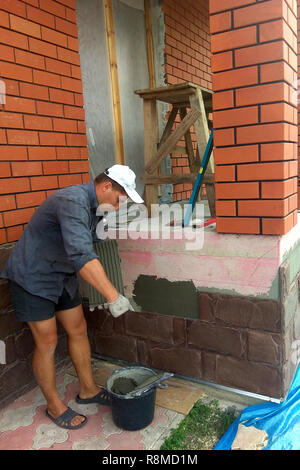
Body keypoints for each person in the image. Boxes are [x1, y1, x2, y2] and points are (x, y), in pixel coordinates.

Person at [0, 164, 143, 430]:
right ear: (106, 186)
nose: (121, 204)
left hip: (63, 275)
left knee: (78, 328)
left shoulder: (98, 207)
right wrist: (114, 297)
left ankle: (88, 390)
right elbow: (82, 255)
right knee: (48, 341)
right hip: (34, 276)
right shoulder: (72, 200)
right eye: (121, 198)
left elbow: (94, 246)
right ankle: (54, 406)